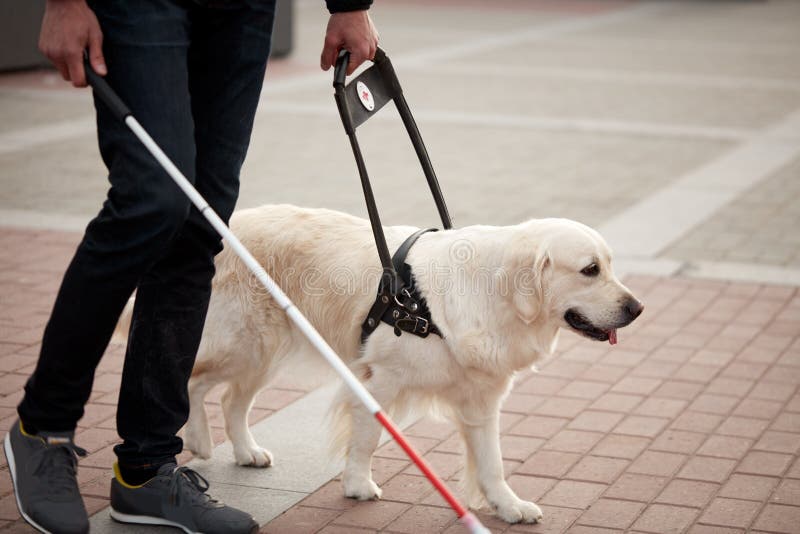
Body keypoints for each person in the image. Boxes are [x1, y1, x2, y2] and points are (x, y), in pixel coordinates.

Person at [3, 0, 379, 532]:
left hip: (243, 11)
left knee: (201, 228)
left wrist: (350, 6)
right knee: (150, 203)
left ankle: (146, 470)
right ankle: (43, 428)